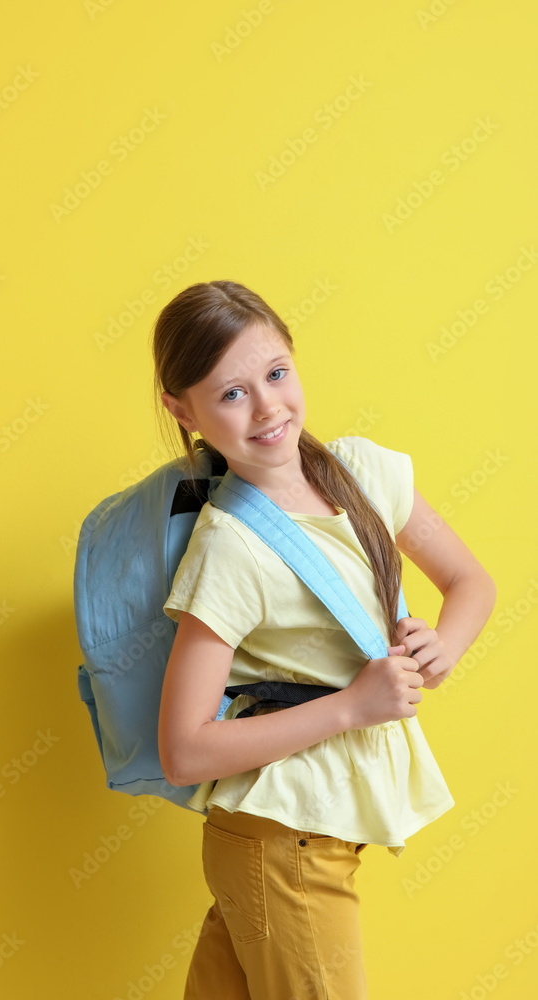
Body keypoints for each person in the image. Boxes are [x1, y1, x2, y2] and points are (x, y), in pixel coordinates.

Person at [151, 280, 496, 1000]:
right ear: (181, 410)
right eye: (231, 394)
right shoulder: (228, 549)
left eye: (275, 373)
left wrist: (445, 646)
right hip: (284, 846)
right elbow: (183, 750)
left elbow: (469, 580)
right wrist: (350, 707)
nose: (269, 406)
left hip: (289, 845)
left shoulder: (365, 472)